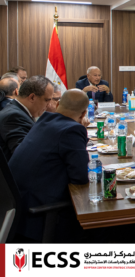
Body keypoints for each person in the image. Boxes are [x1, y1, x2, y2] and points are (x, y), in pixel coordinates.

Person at [9, 89, 90, 242]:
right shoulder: (72, 130)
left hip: (19, 209)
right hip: (41, 217)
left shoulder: (44, 121)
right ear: (83, 113)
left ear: (58, 104)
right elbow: (80, 177)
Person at [0, 76, 54, 160]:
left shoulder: (18, 111)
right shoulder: (14, 116)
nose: (49, 105)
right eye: (47, 100)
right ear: (32, 97)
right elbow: (25, 155)